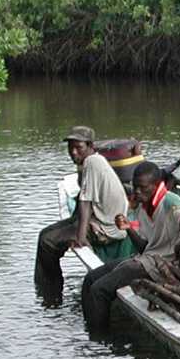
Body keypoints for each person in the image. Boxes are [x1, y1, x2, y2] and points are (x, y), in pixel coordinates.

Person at [80, 160, 180, 332]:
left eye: (143, 188)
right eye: (135, 187)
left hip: (161, 264)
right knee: (90, 279)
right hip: (146, 258)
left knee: (99, 290)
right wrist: (129, 229)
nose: (138, 192)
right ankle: (90, 328)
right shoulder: (143, 207)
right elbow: (144, 247)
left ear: (156, 186)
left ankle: (99, 338)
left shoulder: (170, 201)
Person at [35, 126, 129, 304]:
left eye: (78, 147)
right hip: (98, 221)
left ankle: (51, 292)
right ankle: (45, 286)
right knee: (43, 234)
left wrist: (80, 236)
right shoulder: (91, 162)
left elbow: (85, 202)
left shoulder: (92, 162)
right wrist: (71, 224)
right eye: (70, 147)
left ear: (90, 146)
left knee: (47, 242)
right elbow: (82, 200)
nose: (73, 152)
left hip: (105, 228)